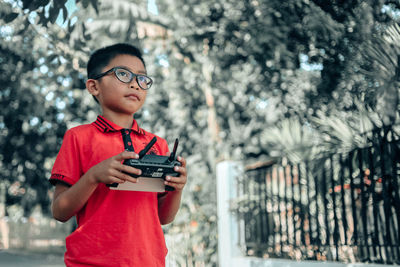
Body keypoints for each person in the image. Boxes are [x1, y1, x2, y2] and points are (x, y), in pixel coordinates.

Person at [49, 43, 187, 267]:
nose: (135, 83)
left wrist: (177, 188)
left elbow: (164, 217)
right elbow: (59, 211)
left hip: (148, 261)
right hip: (91, 262)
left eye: (142, 79)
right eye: (123, 74)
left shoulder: (158, 144)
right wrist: (93, 176)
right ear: (94, 86)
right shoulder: (78, 137)